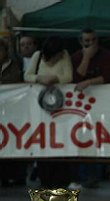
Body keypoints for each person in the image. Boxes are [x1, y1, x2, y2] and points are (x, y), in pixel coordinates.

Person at [69, 28, 110, 190]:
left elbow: (109, 76)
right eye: (86, 41)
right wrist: (86, 57)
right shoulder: (76, 57)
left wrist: (89, 83)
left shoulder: (106, 55)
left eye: (93, 40)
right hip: (78, 107)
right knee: (80, 138)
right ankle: (81, 176)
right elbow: (76, 78)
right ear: (81, 42)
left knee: (97, 138)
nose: (90, 44)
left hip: (101, 106)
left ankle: (94, 176)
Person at [24, 36, 73, 188]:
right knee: (43, 140)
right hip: (40, 107)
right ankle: (44, 177)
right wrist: (39, 78)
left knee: (61, 140)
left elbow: (68, 77)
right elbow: (27, 76)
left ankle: (60, 178)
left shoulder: (65, 56)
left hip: (61, 107)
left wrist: (55, 78)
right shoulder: (37, 56)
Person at [0, 38, 26, 187]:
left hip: (13, 112)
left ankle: (16, 176)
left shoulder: (15, 66)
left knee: (13, 142)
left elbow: (16, 83)